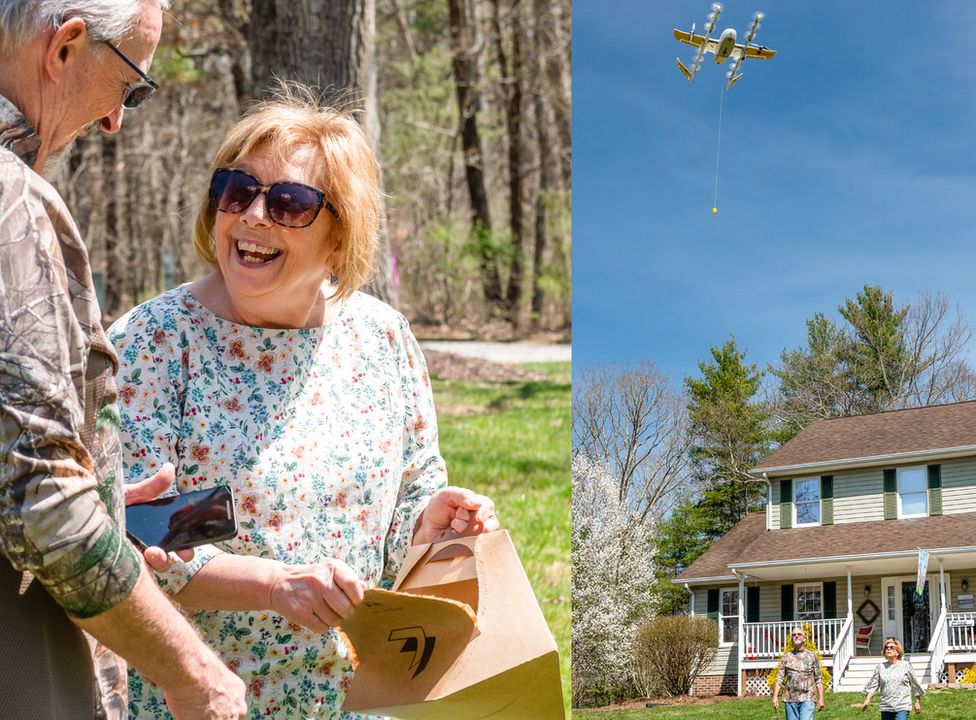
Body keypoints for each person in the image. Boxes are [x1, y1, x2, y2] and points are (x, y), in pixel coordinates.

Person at [109, 84, 499, 719]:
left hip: (360, 700)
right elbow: (133, 534)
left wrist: (430, 525)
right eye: (239, 190)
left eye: (290, 203)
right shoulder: (154, 342)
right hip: (207, 700)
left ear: (340, 238)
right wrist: (274, 586)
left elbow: (401, 508)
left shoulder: (384, 339)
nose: (254, 215)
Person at [0, 2, 248, 719]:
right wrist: (196, 672)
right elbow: (40, 502)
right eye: (131, 83)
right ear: (67, 47)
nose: (117, 121)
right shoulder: (12, 205)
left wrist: (104, 498)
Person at [861, 637, 924, 718]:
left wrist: (917, 702)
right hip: (886, 706)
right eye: (886, 648)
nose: (888, 649)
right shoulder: (881, 667)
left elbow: (914, 684)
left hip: (902, 706)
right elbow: (874, 684)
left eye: (891, 647)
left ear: (897, 652)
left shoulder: (906, 666)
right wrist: (868, 699)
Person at [772, 626, 825, 720]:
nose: (796, 636)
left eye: (799, 634)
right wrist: (775, 697)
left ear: (804, 639)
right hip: (790, 698)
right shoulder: (786, 657)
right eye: (794, 635)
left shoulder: (812, 656)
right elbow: (780, 678)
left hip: (808, 697)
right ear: (791, 639)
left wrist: (821, 698)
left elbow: (819, 678)